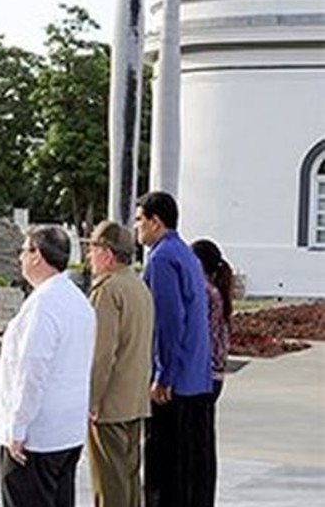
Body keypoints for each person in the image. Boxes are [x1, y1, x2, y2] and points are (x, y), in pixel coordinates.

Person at [0, 225, 96, 507]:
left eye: (24, 251)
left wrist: (17, 428)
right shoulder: (78, 300)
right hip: (66, 432)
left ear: (37, 255)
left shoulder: (43, 305)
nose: (20, 259)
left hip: (36, 438)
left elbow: (32, 371)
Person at [133, 191, 212, 507]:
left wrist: (163, 375)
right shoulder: (184, 253)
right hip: (195, 377)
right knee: (190, 467)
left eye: (140, 220)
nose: (136, 227)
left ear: (155, 222)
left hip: (175, 383)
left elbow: (167, 321)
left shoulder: (162, 258)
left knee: (166, 469)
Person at [84, 220, 155, 507]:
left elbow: (102, 354)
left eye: (93, 249)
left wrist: (91, 399)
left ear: (108, 254)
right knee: (129, 483)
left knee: (109, 486)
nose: (89, 256)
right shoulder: (138, 288)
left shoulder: (108, 291)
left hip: (110, 404)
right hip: (135, 400)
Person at [191, 238, 233, 506]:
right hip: (215, 375)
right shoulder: (216, 291)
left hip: (204, 375)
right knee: (204, 441)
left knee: (199, 443)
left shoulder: (205, 292)